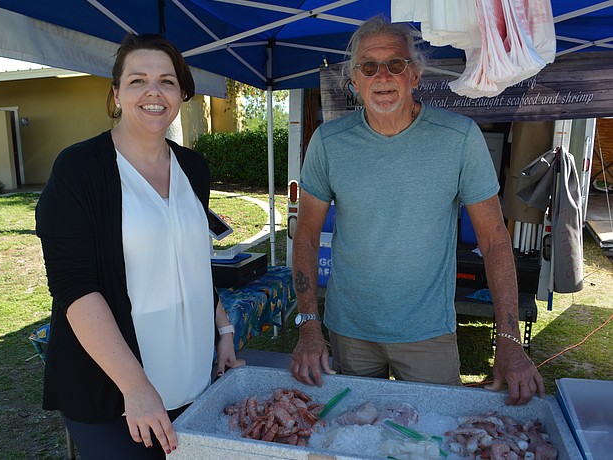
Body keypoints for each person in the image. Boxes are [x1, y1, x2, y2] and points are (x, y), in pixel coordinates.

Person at [289, 16, 544, 406]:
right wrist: (308, 326)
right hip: (350, 331)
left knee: (433, 438)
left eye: (396, 64)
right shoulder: (328, 142)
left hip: (428, 333)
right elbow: (305, 237)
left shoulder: (459, 138)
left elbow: (494, 241)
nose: (383, 76)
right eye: (368, 67)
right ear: (354, 82)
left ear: (415, 75)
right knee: (357, 437)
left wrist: (509, 341)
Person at [35, 33, 242, 459]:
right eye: (137, 80)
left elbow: (192, 262)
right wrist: (136, 388)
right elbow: (74, 287)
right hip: (114, 390)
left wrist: (223, 332)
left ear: (182, 93)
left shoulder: (193, 167)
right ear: (116, 94)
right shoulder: (79, 169)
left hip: (192, 378)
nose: (153, 91)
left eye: (167, 81)